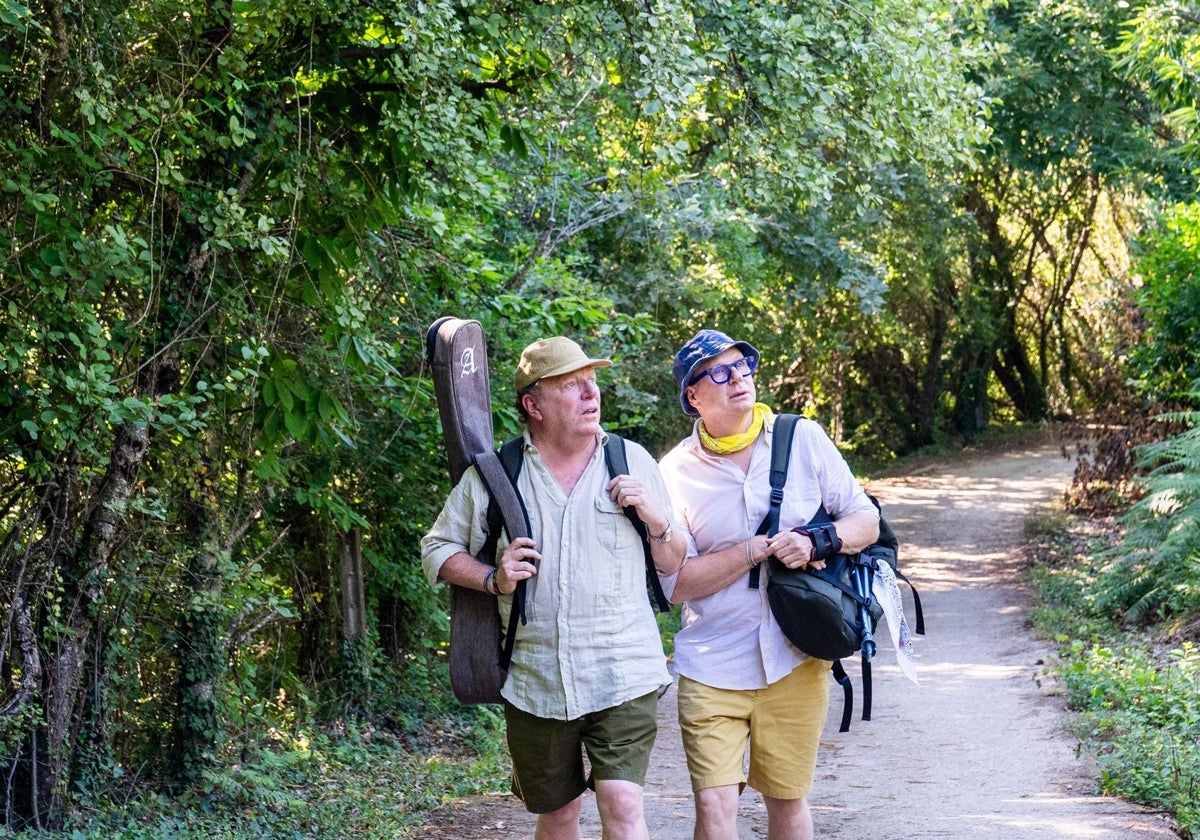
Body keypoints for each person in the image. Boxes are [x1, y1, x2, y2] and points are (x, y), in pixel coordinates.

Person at [421, 336, 684, 840]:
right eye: (571, 385)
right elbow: (437, 548)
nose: (591, 393)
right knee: (559, 815)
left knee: (623, 805)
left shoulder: (630, 462)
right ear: (533, 405)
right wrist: (491, 578)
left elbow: (672, 561)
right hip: (537, 678)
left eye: (592, 381)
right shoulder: (499, 475)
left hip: (623, 669)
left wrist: (656, 520)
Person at [656, 329, 880, 840]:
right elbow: (677, 584)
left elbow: (864, 520)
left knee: (787, 803)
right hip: (712, 662)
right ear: (693, 396)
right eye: (719, 371)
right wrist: (753, 550)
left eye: (743, 367)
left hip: (796, 656)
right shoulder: (673, 472)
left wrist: (818, 542)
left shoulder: (802, 438)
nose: (738, 378)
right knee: (715, 812)